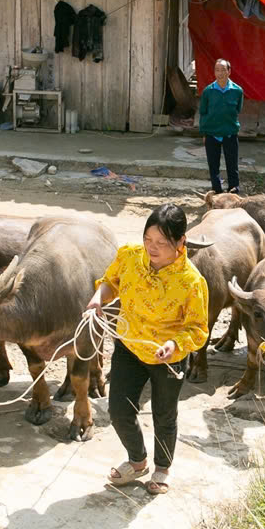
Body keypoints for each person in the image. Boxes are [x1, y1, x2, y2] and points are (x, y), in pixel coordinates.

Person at [86, 205, 209, 496]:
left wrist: (173, 345)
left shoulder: (192, 282)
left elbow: (197, 329)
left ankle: (163, 467)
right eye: (148, 240)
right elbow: (110, 282)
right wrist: (97, 299)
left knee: (164, 415)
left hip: (167, 357)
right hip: (130, 345)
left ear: (181, 243)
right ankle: (137, 459)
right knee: (118, 409)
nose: (152, 249)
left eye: (162, 244)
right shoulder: (130, 256)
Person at [198, 59, 244, 194]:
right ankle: (217, 192)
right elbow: (203, 112)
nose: (220, 73)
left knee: (232, 165)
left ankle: (234, 191)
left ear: (229, 72)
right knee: (213, 166)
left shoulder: (237, 91)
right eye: (217, 70)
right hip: (212, 134)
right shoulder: (208, 91)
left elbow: (237, 110)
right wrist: (205, 133)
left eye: (223, 70)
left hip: (230, 133)